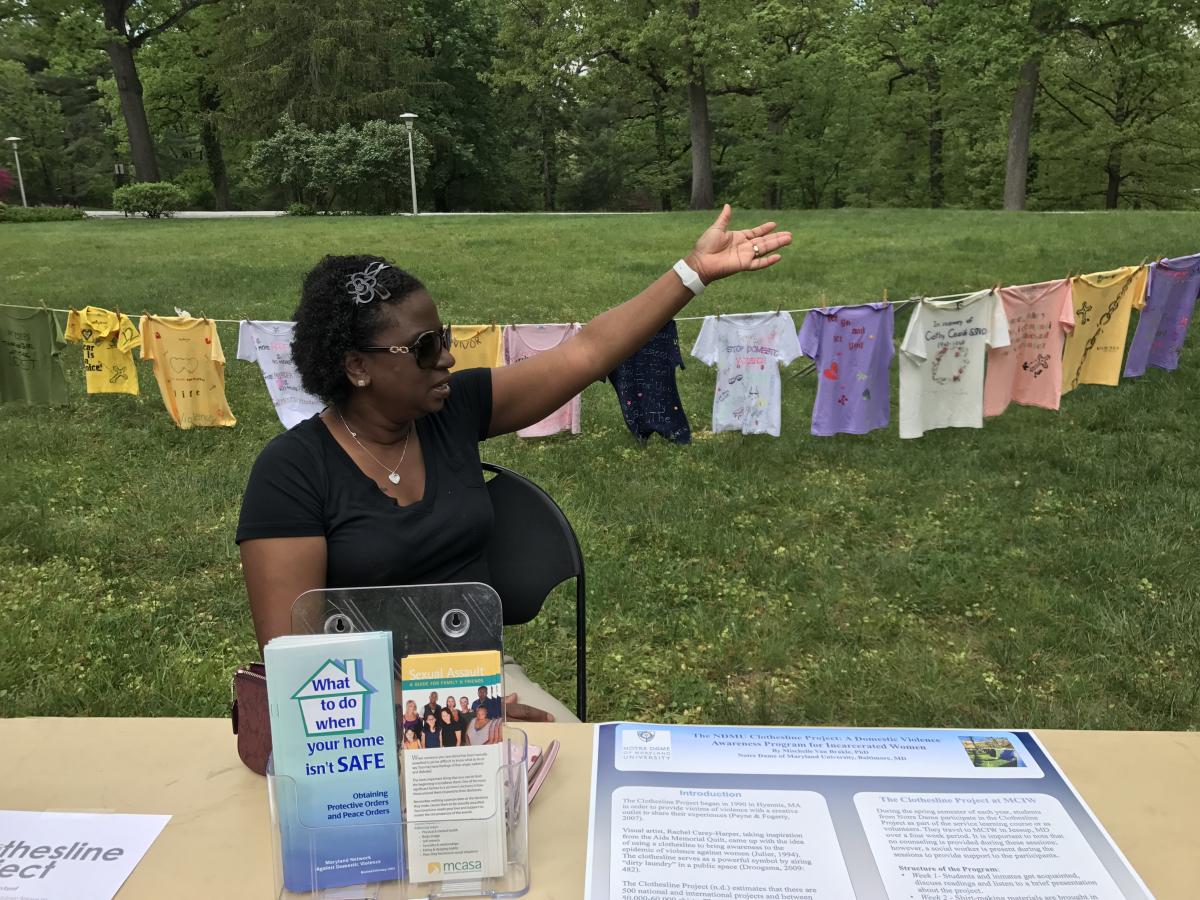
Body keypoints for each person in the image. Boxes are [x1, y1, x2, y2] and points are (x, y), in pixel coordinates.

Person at [236, 206, 790, 723]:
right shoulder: (292, 473)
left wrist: (693, 271)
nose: (448, 357)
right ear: (357, 367)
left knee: (577, 785)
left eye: (445, 338)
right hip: (357, 717)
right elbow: (295, 664)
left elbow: (588, 351)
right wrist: (445, 715)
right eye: (425, 347)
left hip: (485, 684)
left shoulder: (456, 411)